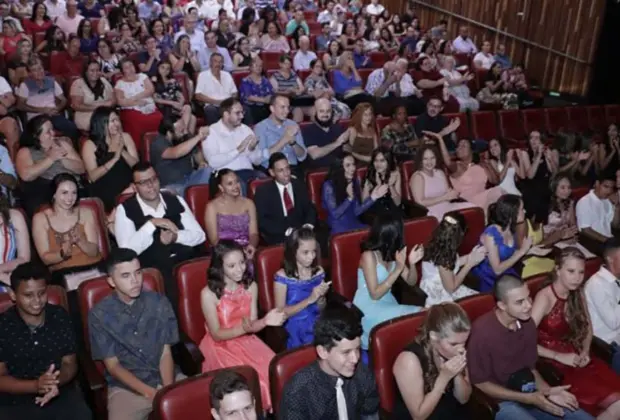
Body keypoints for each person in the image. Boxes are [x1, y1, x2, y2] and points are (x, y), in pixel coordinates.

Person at [468, 274, 593, 420]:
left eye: (528, 298)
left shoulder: (527, 324)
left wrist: (549, 392)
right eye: (520, 302)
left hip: (530, 391)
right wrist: (526, 398)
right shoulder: (482, 332)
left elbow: (531, 369)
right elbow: (480, 383)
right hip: (502, 402)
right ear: (502, 305)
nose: (528, 305)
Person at [88, 248, 184, 420]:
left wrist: (166, 392)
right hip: (128, 388)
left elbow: (165, 353)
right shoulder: (99, 314)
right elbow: (113, 366)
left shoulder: (158, 302)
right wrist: (149, 393)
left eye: (137, 273)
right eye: (125, 276)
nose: (135, 281)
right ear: (111, 281)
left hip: (167, 377)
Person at [532, 247, 620, 417]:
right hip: (552, 364)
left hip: (578, 357)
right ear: (557, 270)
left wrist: (586, 350)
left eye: (581, 272)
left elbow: (587, 326)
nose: (577, 278)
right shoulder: (544, 297)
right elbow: (522, 341)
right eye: (571, 271)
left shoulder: (577, 292)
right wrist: (558, 356)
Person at [200, 240, 285, 412]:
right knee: (254, 382)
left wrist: (263, 322)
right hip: (220, 347)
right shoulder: (208, 293)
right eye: (231, 265)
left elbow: (252, 324)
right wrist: (255, 325)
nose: (239, 269)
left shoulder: (250, 286)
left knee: (275, 372)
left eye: (242, 262)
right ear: (219, 267)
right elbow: (217, 334)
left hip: (247, 340)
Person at [0, 262, 92, 420]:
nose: (37, 301)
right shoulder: (3, 326)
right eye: (28, 295)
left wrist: (54, 382)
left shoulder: (59, 316)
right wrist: (36, 385)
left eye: (41, 293)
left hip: (60, 389)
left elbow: (69, 363)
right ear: (13, 295)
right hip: (17, 397)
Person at [114, 163, 206, 309]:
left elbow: (200, 236)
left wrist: (175, 237)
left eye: (153, 179)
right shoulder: (125, 210)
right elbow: (127, 252)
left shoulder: (175, 200)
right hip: (154, 269)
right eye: (144, 182)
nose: (151, 186)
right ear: (134, 187)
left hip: (185, 261)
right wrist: (151, 224)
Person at [279, 306, 380, 418]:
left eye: (357, 349)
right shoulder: (298, 392)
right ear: (323, 352)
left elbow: (370, 415)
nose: (355, 359)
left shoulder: (363, 375)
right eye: (346, 352)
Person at [353, 214, 424, 350]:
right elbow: (374, 294)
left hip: (388, 303)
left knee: (424, 316)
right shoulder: (369, 256)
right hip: (368, 307)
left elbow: (411, 281)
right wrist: (397, 269)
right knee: (424, 314)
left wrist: (412, 263)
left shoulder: (393, 253)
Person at [392, 303, 472, 419]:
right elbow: (419, 416)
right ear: (434, 336)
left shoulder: (454, 351)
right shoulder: (409, 360)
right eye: (453, 344)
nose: (460, 349)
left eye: (464, 342)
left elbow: (463, 399)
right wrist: (443, 379)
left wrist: (457, 373)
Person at [32, 173, 102, 286]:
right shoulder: (40, 219)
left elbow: (94, 252)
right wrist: (63, 253)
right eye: (64, 193)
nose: (70, 198)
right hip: (63, 274)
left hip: (93, 267)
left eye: (74, 193)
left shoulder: (86, 213)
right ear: (54, 194)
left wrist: (81, 241)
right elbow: (45, 259)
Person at [15, 116, 85, 216]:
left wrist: (62, 158)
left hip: (73, 185)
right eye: (48, 131)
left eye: (52, 129)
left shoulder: (62, 144)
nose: (53, 133)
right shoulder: (26, 151)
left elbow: (81, 168)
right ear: (36, 136)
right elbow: (26, 175)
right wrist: (51, 159)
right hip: (46, 189)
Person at [274, 226, 329, 349]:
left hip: (317, 322)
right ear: (293, 251)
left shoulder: (318, 272)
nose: (311, 256)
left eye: (314, 251)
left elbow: (321, 308)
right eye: (305, 252)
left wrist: (320, 298)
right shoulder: (282, 277)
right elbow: (280, 314)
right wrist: (310, 299)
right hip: (294, 325)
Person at [201, 98, 267, 194]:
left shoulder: (246, 129)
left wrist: (252, 149)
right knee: (238, 185)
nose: (242, 116)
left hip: (249, 172)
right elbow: (212, 162)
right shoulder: (212, 132)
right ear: (226, 114)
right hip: (226, 176)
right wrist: (237, 150)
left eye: (242, 112)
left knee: (268, 183)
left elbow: (257, 162)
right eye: (237, 113)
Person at [420, 213, 485, 307]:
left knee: (480, 300)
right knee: (479, 303)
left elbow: (455, 263)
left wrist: (471, 256)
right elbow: (451, 288)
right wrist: (469, 264)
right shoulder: (444, 257)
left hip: (445, 282)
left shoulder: (439, 243)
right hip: (438, 292)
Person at [471, 194, 532, 292]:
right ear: (512, 213)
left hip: (506, 269)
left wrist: (534, 250)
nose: (525, 211)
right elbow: (497, 270)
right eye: (522, 209)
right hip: (489, 276)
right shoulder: (491, 234)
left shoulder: (512, 229)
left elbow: (515, 251)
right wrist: (522, 252)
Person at [81, 107, 137, 212]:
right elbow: (93, 176)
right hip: (104, 188)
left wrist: (121, 150)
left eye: (117, 120)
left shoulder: (126, 137)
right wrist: (115, 158)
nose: (116, 124)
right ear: (101, 123)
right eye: (112, 121)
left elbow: (136, 166)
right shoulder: (90, 144)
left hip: (127, 184)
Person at [254, 153, 317, 245]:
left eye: (287, 168)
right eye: (281, 170)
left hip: (301, 231)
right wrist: (287, 231)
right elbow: (263, 221)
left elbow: (309, 208)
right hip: (279, 235)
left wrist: (308, 225)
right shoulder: (263, 191)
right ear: (272, 172)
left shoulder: (298, 185)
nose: (286, 173)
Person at [16, 58, 79, 141]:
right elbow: (20, 106)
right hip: (36, 117)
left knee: (72, 128)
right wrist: (42, 110)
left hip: (53, 114)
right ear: (30, 73)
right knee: (30, 138)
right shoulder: (25, 85)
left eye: (40, 68)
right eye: (35, 70)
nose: (39, 72)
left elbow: (63, 100)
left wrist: (57, 108)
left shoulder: (51, 81)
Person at [204, 169, 259, 261]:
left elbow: (254, 233)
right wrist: (237, 253)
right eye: (230, 184)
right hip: (223, 253)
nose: (236, 186)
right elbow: (214, 240)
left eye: (236, 181)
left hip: (247, 251)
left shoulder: (249, 203)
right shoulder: (212, 207)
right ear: (221, 187)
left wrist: (251, 246)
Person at [409, 145, 476, 220]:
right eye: (425, 159)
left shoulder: (440, 173)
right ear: (420, 160)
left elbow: (448, 194)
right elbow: (420, 202)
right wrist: (444, 197)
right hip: (431, 213)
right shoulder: (418, 176)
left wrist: (453, 194)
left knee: (474, 208)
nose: (429, 162)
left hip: (448, 206)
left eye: (432, 158)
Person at [150, 116, 211, 196]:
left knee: (208, 171)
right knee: (172, 194)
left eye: (184, 128)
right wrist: (198, 137)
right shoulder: (158, 143)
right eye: (181, 130)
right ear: (169, 133)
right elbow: (176, 153)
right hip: (172, 185)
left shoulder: (183, 136)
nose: (185, 132)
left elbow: (197, 152)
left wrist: (201, 162)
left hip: (191, 178)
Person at [323, 153, 382, 234]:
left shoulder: (354, 182)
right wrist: (349, 198)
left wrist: (373, 198)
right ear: (339, 168)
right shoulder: (329, 186)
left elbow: (356, 211)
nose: (353, 168)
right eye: (348, 165)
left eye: (353, 164)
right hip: (339, 227)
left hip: (354, 224)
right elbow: (335, 214)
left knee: (378, 232)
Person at [585, 238, 620, 374]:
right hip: (609, 345)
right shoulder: (597, 285)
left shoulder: (616, 280)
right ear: (610, 259)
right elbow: (614, 322)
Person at [114, 59, 163, 154]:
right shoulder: (120, 84)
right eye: (126, 67)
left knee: (159, 117)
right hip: (130, 109)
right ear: (122, 71)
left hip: (147, 105)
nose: (130, 69)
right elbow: (121, 102)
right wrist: (136, 102)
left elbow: (150, 90)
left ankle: (159, 147)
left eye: (131, 65)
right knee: (139, 121)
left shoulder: (142, 77)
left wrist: (135, 97)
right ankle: (140, 152)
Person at [254, 95, 308, 176]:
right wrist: (284, 140)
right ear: (272, 109)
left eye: (288, 107)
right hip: (273, 170)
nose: (287, 111)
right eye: (282, 107)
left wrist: (293, 143)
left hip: (292, 168)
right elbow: (260, 158)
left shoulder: (293, 124)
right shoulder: (261, 127)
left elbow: (302, 156)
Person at [576, 171, 619, 253]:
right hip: (592, 241)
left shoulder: (607, 201)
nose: (608, 191)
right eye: (606, 187)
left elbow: (615, 225)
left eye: (611, 188)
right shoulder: (585, 202)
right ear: (597, 184)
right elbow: (585, 230)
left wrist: (616, 206)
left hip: (608, 239)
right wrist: (607, 240)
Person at [302, 97, 349, 170]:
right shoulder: (307, 130)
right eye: (321, 111)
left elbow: (346, 149)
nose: (325, 114)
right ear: (315, 112)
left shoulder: (338, 128)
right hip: (319, 171)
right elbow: (314, 154)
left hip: (340, 169)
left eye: (328, 111)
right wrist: (337, 143)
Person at [70, 60, 116, 132]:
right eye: (92, 70)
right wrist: (100, 106)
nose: (95, 73)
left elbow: (113, 100)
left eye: (97, 70)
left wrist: (110, 104)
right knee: (105, 124)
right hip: (86, 115)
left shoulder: (104, 81)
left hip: (106, 114)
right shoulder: (78, 83)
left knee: (115, 122)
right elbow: (77, 106)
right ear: (86, 72)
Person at [194, 52, 238, 125]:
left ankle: (246, 133)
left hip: (228, 105)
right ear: (210, 63)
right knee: (210, 110)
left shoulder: (227, 75)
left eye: (220, 62)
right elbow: (198, 95)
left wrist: (229, 101)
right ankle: (216, 134)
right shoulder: (203, 75)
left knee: (245, 108)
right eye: (215, 61)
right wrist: (216, 102)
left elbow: (235, 93)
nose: (218, 64)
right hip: (212, 105)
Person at [361, 147, 403, 221]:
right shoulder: (370, 174)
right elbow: (364, 204)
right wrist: (378, 186)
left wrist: (390, 185)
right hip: (374, 212)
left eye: (382, 161)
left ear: (388, 161)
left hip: (392, 210)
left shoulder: (395, 174)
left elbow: (398, 203)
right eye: (376, 160)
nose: (378, 164)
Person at [239, 57, 274, 125]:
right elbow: (248, 96)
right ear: (251, 67)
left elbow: (271, 93)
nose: (258, 67)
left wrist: (268, 99)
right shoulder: (246, 81)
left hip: (265, 105)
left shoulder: (265, 80)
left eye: (260, 66)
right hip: (251, 106)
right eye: (256, 66)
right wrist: (263, 100)